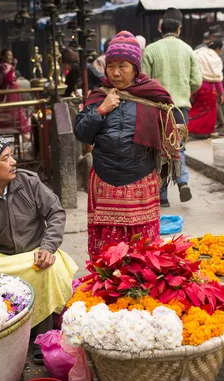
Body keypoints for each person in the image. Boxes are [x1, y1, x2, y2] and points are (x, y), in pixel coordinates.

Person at [0, 135, 78, 361]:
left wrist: (48, 247)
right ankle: (4, 332)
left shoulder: (29, 182)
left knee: (45, 268)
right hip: (2, 260)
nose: (13, 161)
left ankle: (41, 336)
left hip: (35, 252)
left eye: (11, 155)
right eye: (6, 158)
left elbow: (56, 213)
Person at [74, 31, 183, 257]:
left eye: (122, 65)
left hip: (140, 180)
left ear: (135, 67)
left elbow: (171, 134)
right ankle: (107, 287)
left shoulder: (153, 95)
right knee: (108, 250)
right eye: (110, 65)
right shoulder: (98, 95)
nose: (115, 72)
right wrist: (101, 110)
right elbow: (82, 134)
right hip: (105, 180)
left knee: (142, 249)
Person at [142, 7, 202, 207]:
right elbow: (197, 81)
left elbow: (144, 80)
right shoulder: (188, 50)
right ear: (179, 29)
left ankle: (162, 195)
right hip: (180, 109)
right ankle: (182, 180)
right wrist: (184, 92)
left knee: (159, 149)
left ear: (161, 28)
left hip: (157, 108)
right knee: (179, 147)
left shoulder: (150, 50)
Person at [188, 39, 224, 137]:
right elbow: (217, 77)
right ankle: (204, 132)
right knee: (209, 112)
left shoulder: (199, 53)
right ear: (218, 49)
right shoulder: (215, 58)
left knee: (196, 109)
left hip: (198, 85)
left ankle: (189, 128)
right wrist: (221, 92)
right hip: (210, 89)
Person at [0, 49, 31, 136]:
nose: (10, 57)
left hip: (14, 93)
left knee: (17, 111)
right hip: (8, 93)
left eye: (11, 55)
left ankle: (22, 133)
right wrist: (13, 67)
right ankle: (5, 130)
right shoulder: (2, 66)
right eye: (8, 55)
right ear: (3, 56)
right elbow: (7, 79)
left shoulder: (8, 66)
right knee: (10, 111)